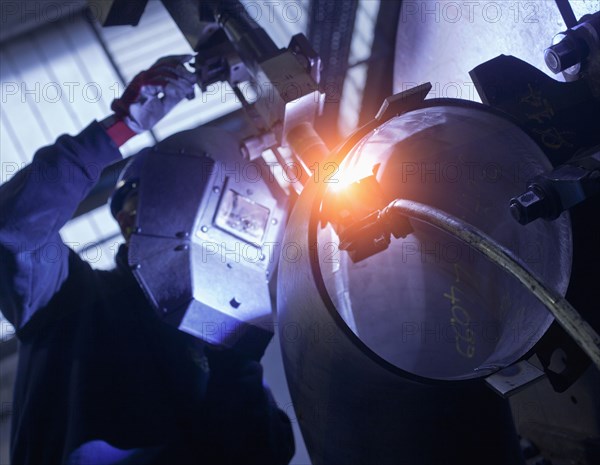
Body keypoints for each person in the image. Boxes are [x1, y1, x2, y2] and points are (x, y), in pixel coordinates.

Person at [0, 55, 294, 465]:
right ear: (126, 218)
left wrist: (238, 347)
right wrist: (121, 127)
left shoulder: (223, 339)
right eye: (167, 195)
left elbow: (257, 455)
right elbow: (13, 227)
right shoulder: (65, 297)